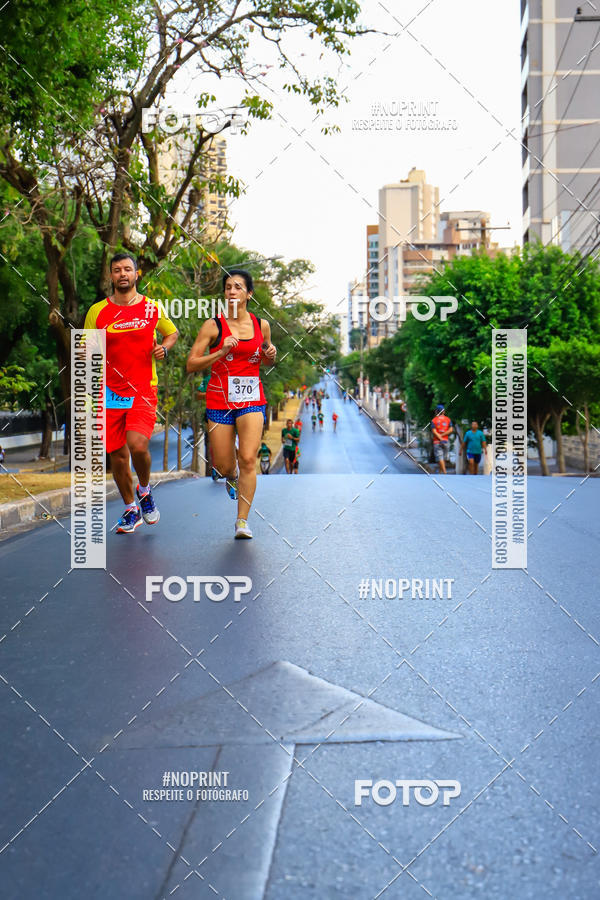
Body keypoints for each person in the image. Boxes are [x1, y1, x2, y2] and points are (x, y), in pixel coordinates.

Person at [84, 252, 179, 533]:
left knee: (138, 445)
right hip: (108, 392)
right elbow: (87, 348)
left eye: (127, 269)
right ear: (111, 276)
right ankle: (130, 509)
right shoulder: (97, 311)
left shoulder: (152, 307)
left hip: (142, 389)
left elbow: (171, 333)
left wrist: (164, 347)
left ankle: (145, 490)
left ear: (137, 274)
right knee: (117, 455)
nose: (122, 274)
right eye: (116, 270)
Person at [186, 268, 276, 539]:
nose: (232, 291)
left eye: (238, 287)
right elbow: (191, 364)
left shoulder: (262, 325)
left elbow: (266, 358)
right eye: (228, 287)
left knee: (249, 458)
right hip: (219, 400)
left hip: (251, 398)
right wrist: (222, 351)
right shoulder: (213, 326)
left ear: (249, 294)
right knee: (225, 466)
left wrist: (270, 354)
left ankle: (242, 521)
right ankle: (231, 475)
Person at [431, 404, 454, 475]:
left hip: (437, 441)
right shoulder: (448, 419)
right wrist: (443, 435)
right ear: (443, 411)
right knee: (443, 457)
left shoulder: (434, 420)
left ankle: (444, 472)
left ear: (436, 411)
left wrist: (439, 436)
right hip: (446, 441)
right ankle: (441, 472)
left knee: (440, 457)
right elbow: (451, 430)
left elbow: (434, 431)